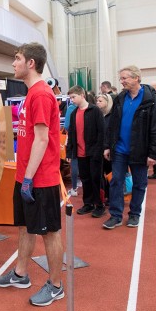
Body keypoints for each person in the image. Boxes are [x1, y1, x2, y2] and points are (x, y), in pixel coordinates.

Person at [0, 42, 64, 307]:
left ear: (30, 63)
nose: (13, 63)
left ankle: (56, 286)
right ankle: (21, 274)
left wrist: (30, 178)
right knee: (24, 227)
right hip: (25, 176)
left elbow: (42, 139)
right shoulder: (30, 94)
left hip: (41, 178)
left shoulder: (42, 95)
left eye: (17, 58)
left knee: (50, 232)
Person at [103, 66, 156, 230]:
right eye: (121, 78)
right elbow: (112, 124)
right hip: (120, 149)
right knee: (116, 181)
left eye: (125, 78)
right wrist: (108, 146)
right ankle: (115, 215)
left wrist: (153, 153)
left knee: (139, 183)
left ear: (136, 78)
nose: (122, 81)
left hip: (140, 150)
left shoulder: (151, 100)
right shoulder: (120, 98)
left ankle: (134, 213)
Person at [66, 86, 105, 218]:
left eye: (73, 97)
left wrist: (99, 150)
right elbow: (71, 134)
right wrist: (70, 153)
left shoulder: (95, 111)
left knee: (96, 179)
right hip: (80, 153)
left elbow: (101, 131)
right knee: (85, 179)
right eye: (70, 98)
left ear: (82, 95)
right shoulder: (73, 114)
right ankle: (88, 203)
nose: (72, 100)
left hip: (94, 152)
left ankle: (99, 205)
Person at [96, 93, 113, 204]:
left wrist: (108, 147)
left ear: (108, 102)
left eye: (100, 101)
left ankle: (113, 196)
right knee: (102, 175)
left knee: (111, 174)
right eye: (97, 100)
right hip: (99, 149)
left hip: (109, 150)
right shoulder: (98, 116)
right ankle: (106, 195)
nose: (97, 102)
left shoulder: (112, 117)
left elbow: (111, 134)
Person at [63, 100, 79, 197]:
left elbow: (67, 125)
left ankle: (74, 188)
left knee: (74, 163)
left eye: (73, 97)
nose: (71, 99)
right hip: (87, 142)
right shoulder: (92, 108)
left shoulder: (71, 108)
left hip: (74, 139)